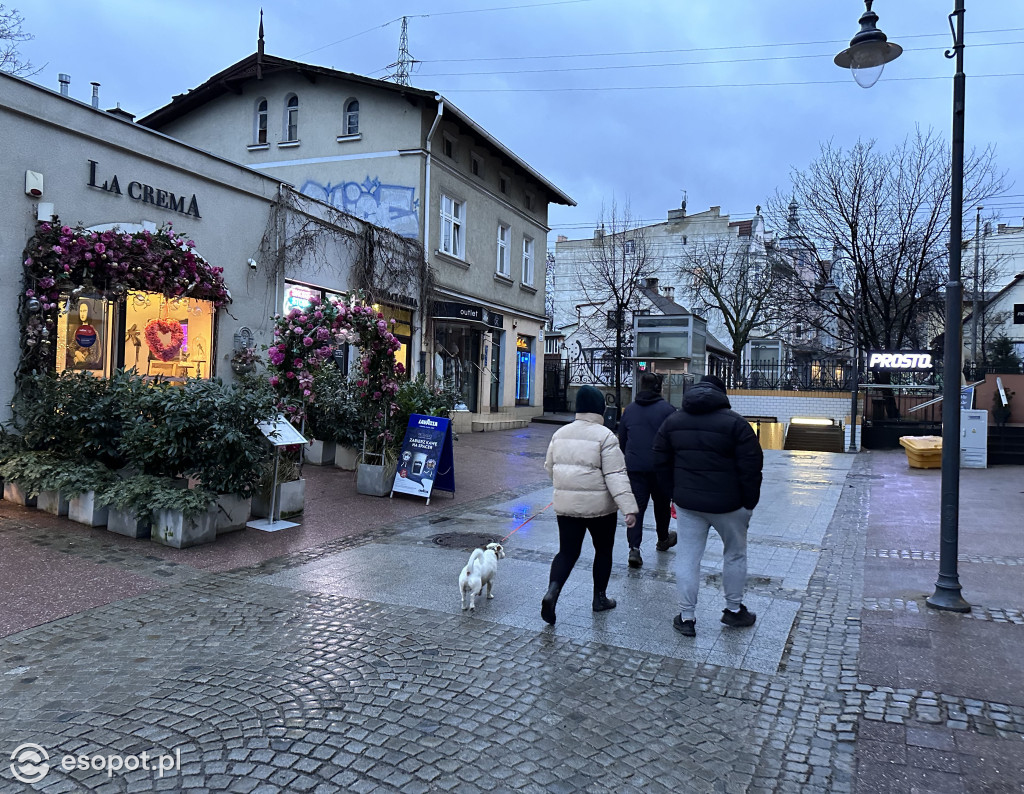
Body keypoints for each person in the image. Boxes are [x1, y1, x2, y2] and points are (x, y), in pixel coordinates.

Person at [652, 374, 763, 637]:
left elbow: (659, 459)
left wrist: (673, 493)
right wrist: (749, 502)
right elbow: (752, 465)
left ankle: (687, 616)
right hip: (730, 504)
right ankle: (734, 610)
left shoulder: (673, 422)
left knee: (689, 558)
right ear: (722, 394)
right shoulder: (737, 424)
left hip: (689, 504)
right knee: (735, 554)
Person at [541, 385, 638, 625]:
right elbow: (616, 474)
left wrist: (564, 487)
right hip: (600, 509)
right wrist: (629, 508)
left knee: (567, 552)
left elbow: (549, 467)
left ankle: (552, 592)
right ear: (599, 409)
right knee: (603, 550)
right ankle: (599, 598)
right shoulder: (605, 436)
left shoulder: (560, 434)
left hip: (567, 507)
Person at [618, 371, 678, 569]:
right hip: (660, 468)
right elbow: (674, 442)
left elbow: (622, 441)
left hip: (635, 469)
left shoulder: (630, 411)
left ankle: (634, 548)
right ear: (658, 388)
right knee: (661, 506)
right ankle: (662, 539)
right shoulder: (668, 410)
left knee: (636, 508)